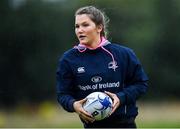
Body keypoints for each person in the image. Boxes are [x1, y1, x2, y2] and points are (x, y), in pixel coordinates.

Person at [56, 5, 148, 128]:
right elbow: (63, 95)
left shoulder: (124, 54)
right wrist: (73, 105)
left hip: (125, 124)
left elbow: (141, 84)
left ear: (99, 27)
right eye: (77, 26)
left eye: (85, 25)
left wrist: (121, 97)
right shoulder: (68, 59)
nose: (79, 30)